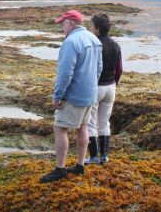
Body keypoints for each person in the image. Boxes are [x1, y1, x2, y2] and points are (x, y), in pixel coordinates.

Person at [40, 10, 102, 183]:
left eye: (63, 24)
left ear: (71, 24)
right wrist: (92, 87)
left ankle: (60, 169)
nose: (62, 28)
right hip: (90, 94)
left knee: (60, 128)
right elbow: (99, 68)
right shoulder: (94, 39)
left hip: (73, 95)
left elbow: (65, 72)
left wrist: (58, 95)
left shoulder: (70, 42)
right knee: (83, 127)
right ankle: (80, 165)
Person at [85, 13, 122, 165]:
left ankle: (94, 157)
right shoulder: (116, 45)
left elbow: (88, 68)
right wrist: (114, 83)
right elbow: (119, 69)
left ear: (97, 29)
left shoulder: (94, 44)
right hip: (110, 87)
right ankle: (104, 156)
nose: (89, 27)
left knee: (91, 123)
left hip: (96, 87)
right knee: (104, 122)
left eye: (91, 25)